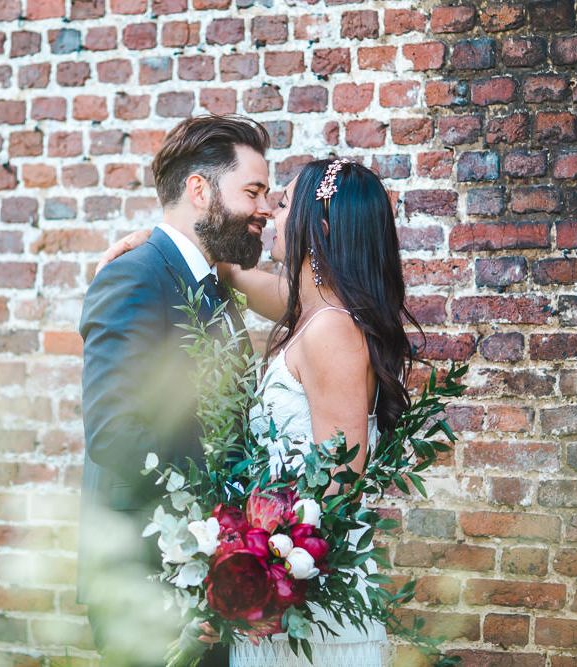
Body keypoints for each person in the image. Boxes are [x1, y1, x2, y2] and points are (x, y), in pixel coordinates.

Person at [100, 157, 419, 667]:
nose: (270, 211)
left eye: (285, 201)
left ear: (322, 228)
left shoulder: (333, 331)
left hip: (306, 602)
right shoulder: (318, 313)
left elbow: (338, 482)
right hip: (285, 584)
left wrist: (259, 577)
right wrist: (160, 241)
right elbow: (238, 275)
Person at [78, 114, 272, 667]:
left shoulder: (213, 283)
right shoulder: (136, 275)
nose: (264, 208)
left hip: (204, 583)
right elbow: (115, 433)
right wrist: (209, 528)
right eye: (253, 191)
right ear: (199, 190)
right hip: (145, 581)